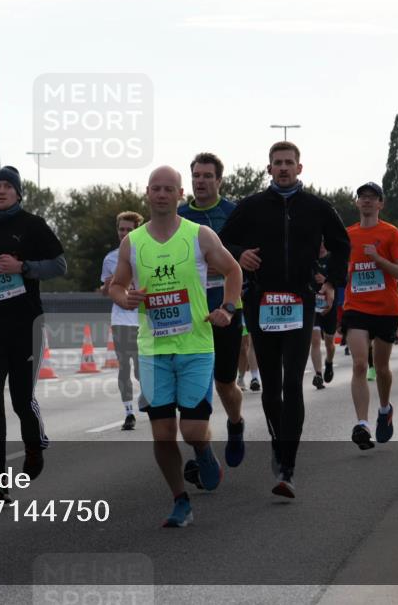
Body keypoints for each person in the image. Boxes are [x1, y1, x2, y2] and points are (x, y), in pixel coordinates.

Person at [109, 166, 242, 526]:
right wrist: (125, 298)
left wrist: (228, 309)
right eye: (157, 188)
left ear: (180, 194)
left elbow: (233, 271)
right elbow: (117, 285)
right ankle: (180, 500)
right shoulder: (133, 242)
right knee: (163, 433)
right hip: (153, 350)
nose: (163, 194)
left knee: (193, 430)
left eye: (170, 189)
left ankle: (204, 452)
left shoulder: (199, 235)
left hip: (196, 346)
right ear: (148, 193)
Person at [219, 141, 351, 497]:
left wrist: (333, 282)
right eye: (277, 163)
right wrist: (239, 254)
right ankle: (278, 442)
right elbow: (220, 243)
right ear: (269, 169)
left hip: (299, 300)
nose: (283, 168)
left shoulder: (318, 207)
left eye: (288, 163)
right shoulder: (251, 206)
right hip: (261, 300)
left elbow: (341, 245)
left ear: (299, 168)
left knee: (293, 381)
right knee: (272, 382)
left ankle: (288, 465)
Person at [0, 165, 67, 502]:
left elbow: (59, 266)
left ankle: (34, 445)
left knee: (23, 399)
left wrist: (22, 268)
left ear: (18, 193)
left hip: (26, 325)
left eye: (8, 187)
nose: (2, 191)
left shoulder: (32, 225)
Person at [178, 152, 246, 468]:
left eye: (207, 176)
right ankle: (201, 453)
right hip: (187, 313)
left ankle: (235, 424)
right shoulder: (177, 216)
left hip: (226, 307)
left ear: (219, 180)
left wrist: (231, 262)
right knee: (193, 387)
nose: (201, 181)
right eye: (196, 176)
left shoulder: (235, 213)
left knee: (224, 383)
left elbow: (247, 256)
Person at [341, 183, 398, 449]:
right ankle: (362, 424)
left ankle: (384, 409)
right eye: (362, 197)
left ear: (381, 204)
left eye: (372, 198)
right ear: (357, 203)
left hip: (386, 309)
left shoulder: (390, 233)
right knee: (360, 365)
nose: (367, 201)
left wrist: (378, 259)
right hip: (356, 308)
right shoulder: (348, 235)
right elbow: (342, 270)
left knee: (381, 368)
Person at [101, 211, 145, 430]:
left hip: (144, 319)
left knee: (140, 368)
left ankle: (145, 395)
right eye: (122, 229)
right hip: (121, 318)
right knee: (124, 367)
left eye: (129, 229)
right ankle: (129, 412)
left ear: (137, 229)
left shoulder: (148, 253)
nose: (125, 233)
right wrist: (107, 286)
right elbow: (104, 290)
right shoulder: (110, 258)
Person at [310, 242, 341, 389]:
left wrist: (327, 280)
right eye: (319, 243)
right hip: (312, 306)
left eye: (324, 243)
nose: (321, 246)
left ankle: (329, 362)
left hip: (329, 306)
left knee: (329, 343)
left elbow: (341, 279)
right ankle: (318, 374)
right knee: (315, 340)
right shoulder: (310, 258)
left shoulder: (333, 259)